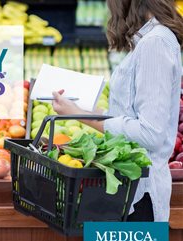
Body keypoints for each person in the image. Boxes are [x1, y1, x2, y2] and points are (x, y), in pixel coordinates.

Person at [52, 0, 183, 222]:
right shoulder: (147, 40)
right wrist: (82, 109)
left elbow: (149, 133)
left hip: (140, 196)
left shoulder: (155, 43)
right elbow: (130, 114)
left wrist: (84, 116)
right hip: (124, 192)